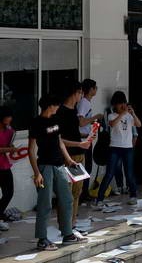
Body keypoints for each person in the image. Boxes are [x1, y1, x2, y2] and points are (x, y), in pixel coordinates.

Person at [28, 94, 85, 251]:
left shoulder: (56, 120)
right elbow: (31, 150)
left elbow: (60, 142)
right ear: (49, 106)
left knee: (67, 199)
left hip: (59, 165)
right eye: (56, 105)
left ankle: (67, 234)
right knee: (45, 203)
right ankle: (42, 239)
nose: (58, 107)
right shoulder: (36, 123)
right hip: (44, 167)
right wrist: (37, 172)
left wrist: (69, 160)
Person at [94, 91, 140, 207]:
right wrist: (122, 114)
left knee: (129, 173)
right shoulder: (112, 115)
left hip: (128, 148)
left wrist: (133, 113)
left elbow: (138, 124)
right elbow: (112, 124)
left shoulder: (129, 116)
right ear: (115, 105)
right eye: (120, 103)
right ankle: (99, 199)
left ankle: (133, 195)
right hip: (115, 148)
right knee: (109, 173)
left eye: (124, 103)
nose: (122, 106)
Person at [56, 83, 93, 225]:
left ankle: (73, 221)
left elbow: (73, 133)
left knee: (77, 191)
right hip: (68, 156)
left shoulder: (74, 110)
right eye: (80, 93)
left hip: (78, 154)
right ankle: (65, 223)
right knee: (66, 192)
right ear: (75, 93)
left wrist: (86, 136)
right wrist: (79, 144)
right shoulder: (61, 112)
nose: (81, 97)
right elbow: (59, 140)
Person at [76, 79, 103, 203]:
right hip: (82, 139)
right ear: (91, 89)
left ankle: (84, 193)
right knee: (85, 168)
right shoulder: (84, 103)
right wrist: (95, 117)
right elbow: (81, 122)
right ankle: (81, 194)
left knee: (88, 167)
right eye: (95, 87)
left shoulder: (86, 103)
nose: (96, 89)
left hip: (87, 138)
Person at [0, 107, 17, 230]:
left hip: (5, 165)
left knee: (9, 192)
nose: (10, 119)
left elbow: (9, 144)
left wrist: (11, 147)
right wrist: (9, 149)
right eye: (8, 117)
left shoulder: (10, 130)